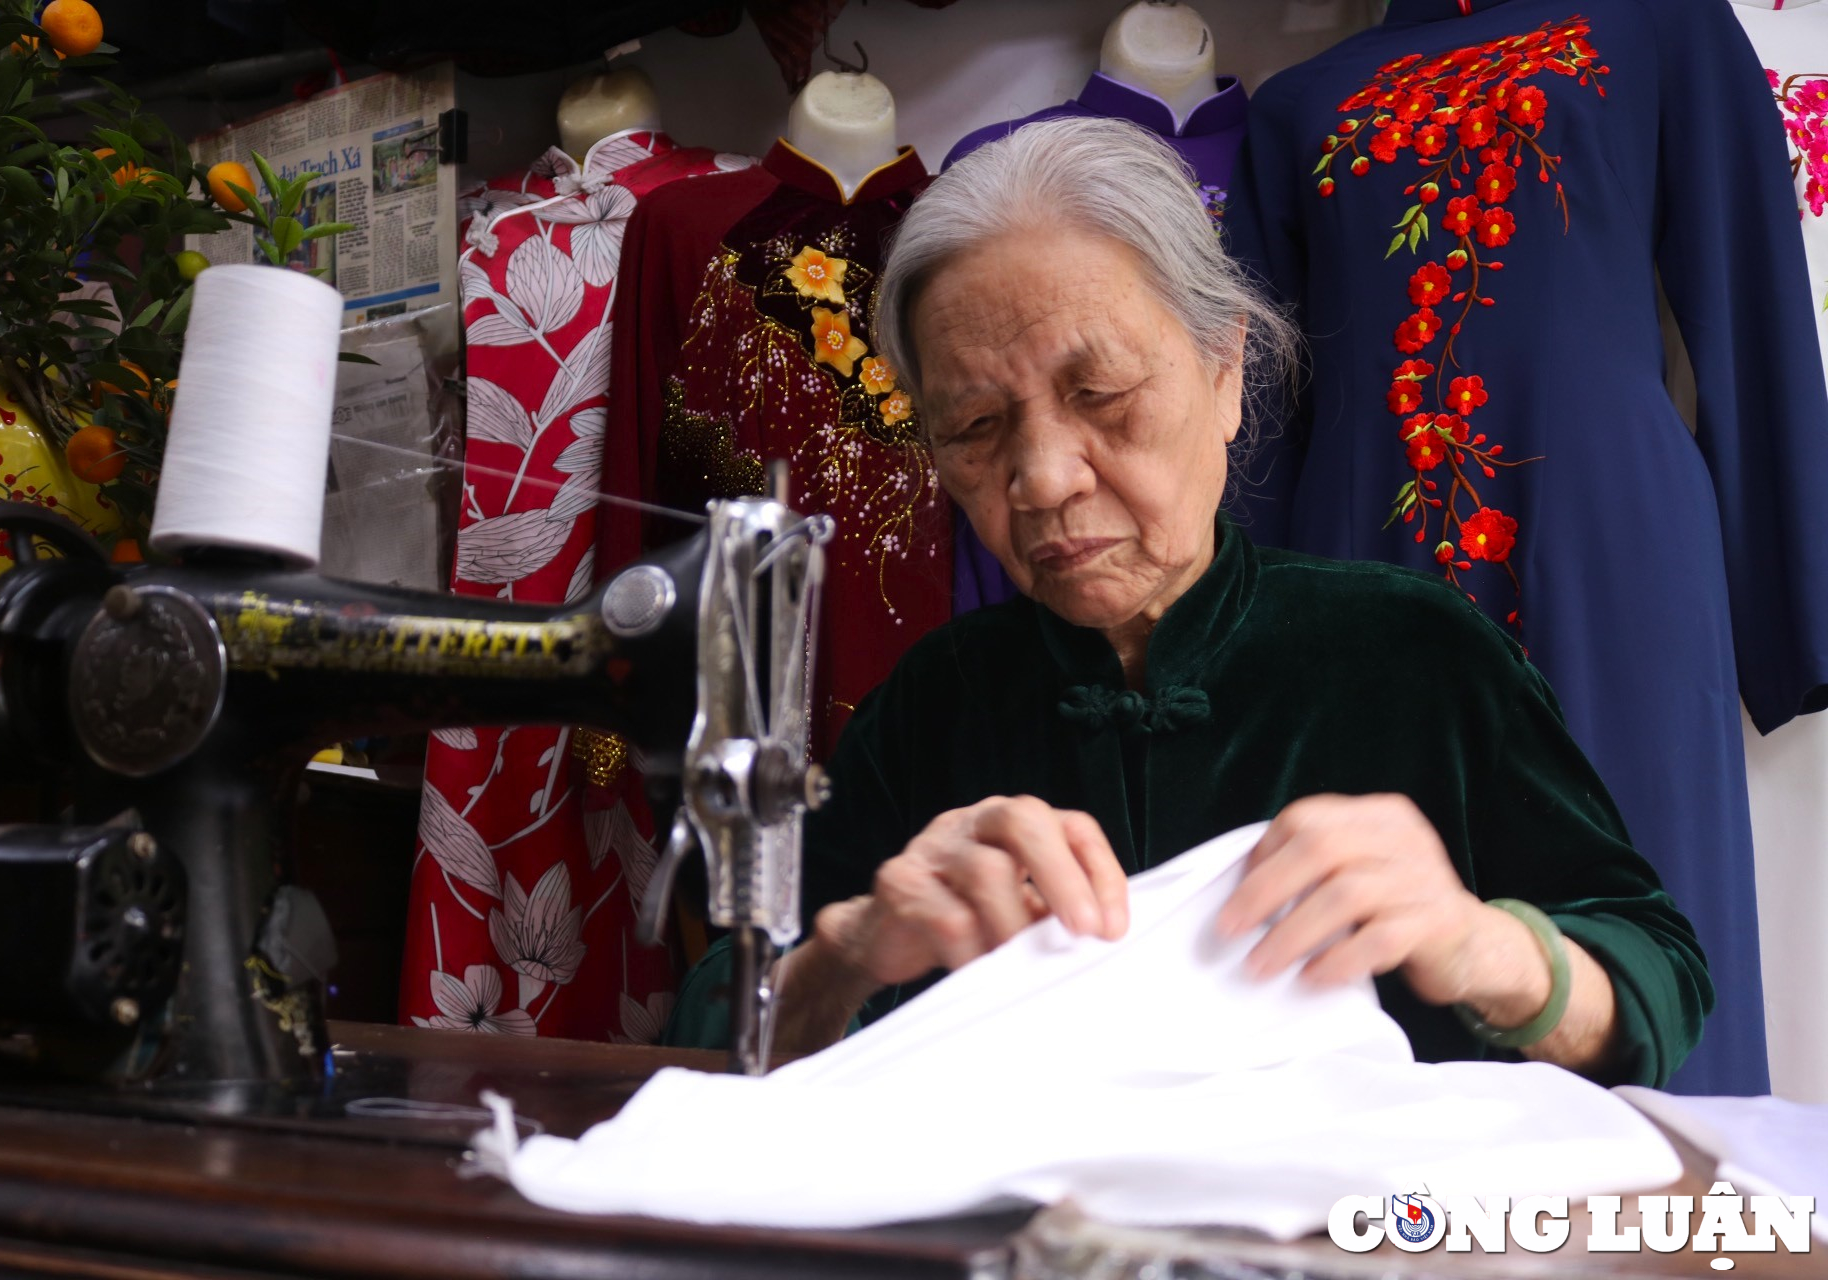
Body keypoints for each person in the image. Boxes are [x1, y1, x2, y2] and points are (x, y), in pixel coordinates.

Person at [666, 117, 1711, 1087]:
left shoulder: (1420, 655)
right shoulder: (936, 704)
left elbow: (1658, 979)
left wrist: (1488, 948)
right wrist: (846, 955)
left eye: (1101, 395)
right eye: (976, 426)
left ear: (1225, 369)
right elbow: (717, 1025)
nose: (1041, 477)